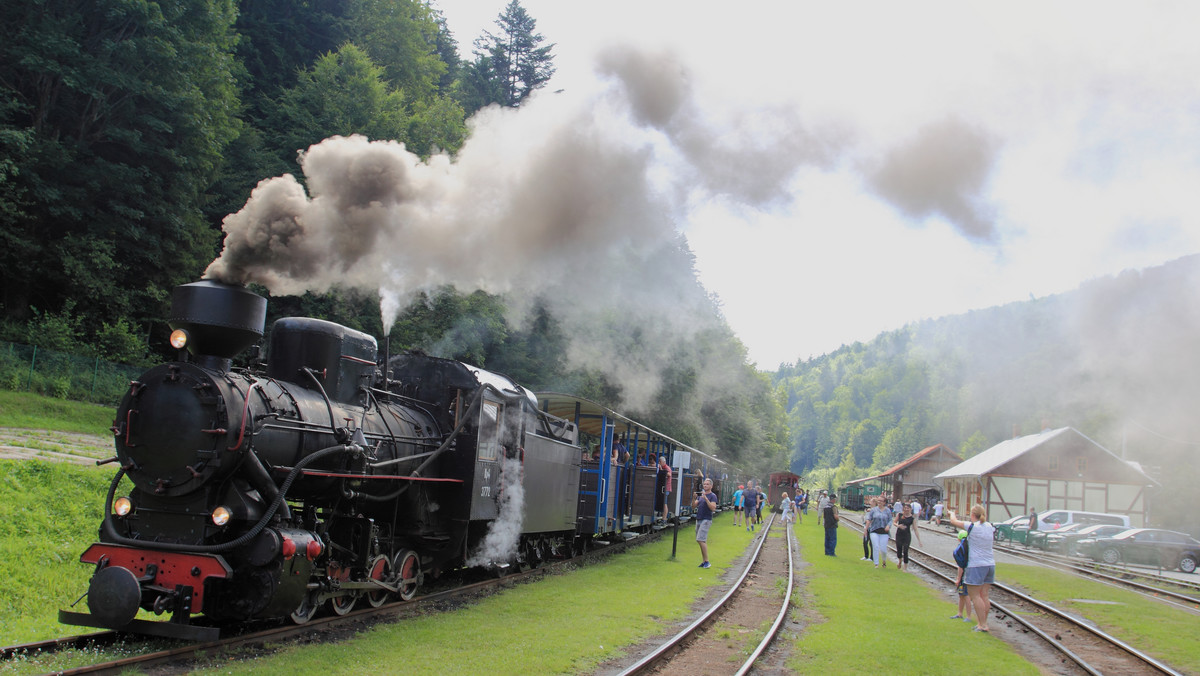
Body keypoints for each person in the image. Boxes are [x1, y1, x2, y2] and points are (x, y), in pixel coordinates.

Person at [946, 505, 996, 633]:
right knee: (984, 595)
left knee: (975, 596)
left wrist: (952, 513)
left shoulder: (972, 527)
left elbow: (953, 522)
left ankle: (983, 625)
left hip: (976, 565)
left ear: (973, 515)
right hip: (990, 564)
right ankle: (982, 622)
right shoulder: (989, 526)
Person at [949, 529, 973, 623]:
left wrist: (958, 578)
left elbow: (960, 567)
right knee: (962, 594)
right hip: (969, 573)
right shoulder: (969, 547)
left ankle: (968, 616)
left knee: (965, 595)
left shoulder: (962, 549)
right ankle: (960, 613)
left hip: (965, 575)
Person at [692, 478, 718, 568]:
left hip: (706, 519)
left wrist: (706, 499)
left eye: (707, 484)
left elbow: (713, 508)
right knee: (700, 540)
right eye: (704, 484)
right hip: (699, 518)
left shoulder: (712, 496)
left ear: (711, 486)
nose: (705, 485)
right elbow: (693, 506)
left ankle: (707, 561)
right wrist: (693, 498)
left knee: (700, 539)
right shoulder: (701, 496)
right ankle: (704, 561)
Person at [865, 497, 893, 568]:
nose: (879, 502)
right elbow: (869, 519)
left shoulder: (887, 510)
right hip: (874, 531)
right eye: (878, 500)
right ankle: (876, 563)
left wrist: (888, 526)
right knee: (876, 546)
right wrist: (866, 529)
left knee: (883, 549)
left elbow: (890, 520)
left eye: (881, 501)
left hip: (884, 532)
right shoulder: (873, 510)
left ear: (884, 502)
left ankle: (884, 560)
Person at [894, 502, 922, 571]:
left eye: (908, 508)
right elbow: (894, 522)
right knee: (899, 550)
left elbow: (915, 529)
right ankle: (900, 561)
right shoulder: (900, 515)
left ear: (910, 509)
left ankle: (905, 568)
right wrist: (898, 526)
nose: (906, 509)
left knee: (906, 551)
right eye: (905, 508)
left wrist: (919, 540)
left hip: (907, 535)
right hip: (899, 535)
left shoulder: (912, 518)